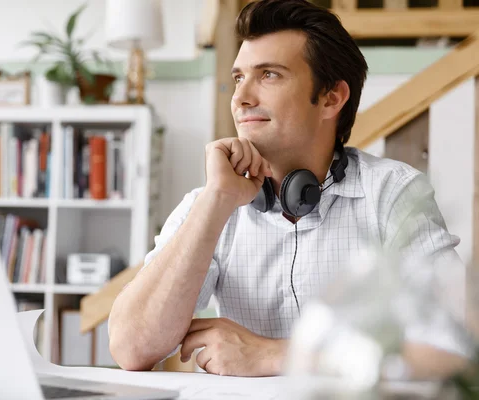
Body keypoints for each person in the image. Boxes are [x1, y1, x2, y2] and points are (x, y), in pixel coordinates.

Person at [108, 0, 469, 378]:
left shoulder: (392, 193)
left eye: (269, 75)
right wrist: (215, 203)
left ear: (331, 98)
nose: (240, 98)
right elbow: (131, 349)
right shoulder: (208, 204)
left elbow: (455, 349)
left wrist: (272, 355)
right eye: (237, 78)